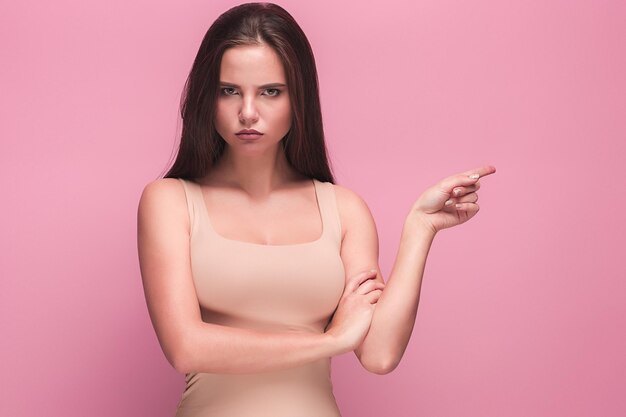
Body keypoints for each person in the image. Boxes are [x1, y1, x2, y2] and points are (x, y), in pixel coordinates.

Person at [136, 3, 496, 416]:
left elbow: (378, 354)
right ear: (207, 96)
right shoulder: (169, 201)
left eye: (270, 91)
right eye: (229, 90)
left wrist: (421, 227)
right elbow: (186, 347)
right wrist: (329, 342)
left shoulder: (344, 210)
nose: (248, 112)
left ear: (298, 96)